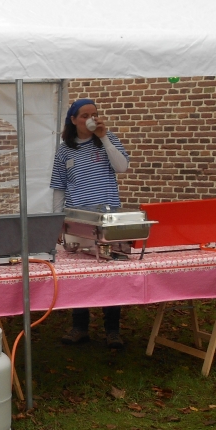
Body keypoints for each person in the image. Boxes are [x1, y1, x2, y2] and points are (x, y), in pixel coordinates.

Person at [50, 98, 130, 349]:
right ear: (73, 120)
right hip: (77, 220)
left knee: (111, 271)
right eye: (84, 115)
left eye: (93, 114)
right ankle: (79, 325)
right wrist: (56, 223)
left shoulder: (108, 140)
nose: (90, 119)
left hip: (108, 221)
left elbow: (122, 167)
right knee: (78, 273)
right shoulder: (64, 150)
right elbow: (59, 189)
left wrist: (105, 137)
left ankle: (113, 329)